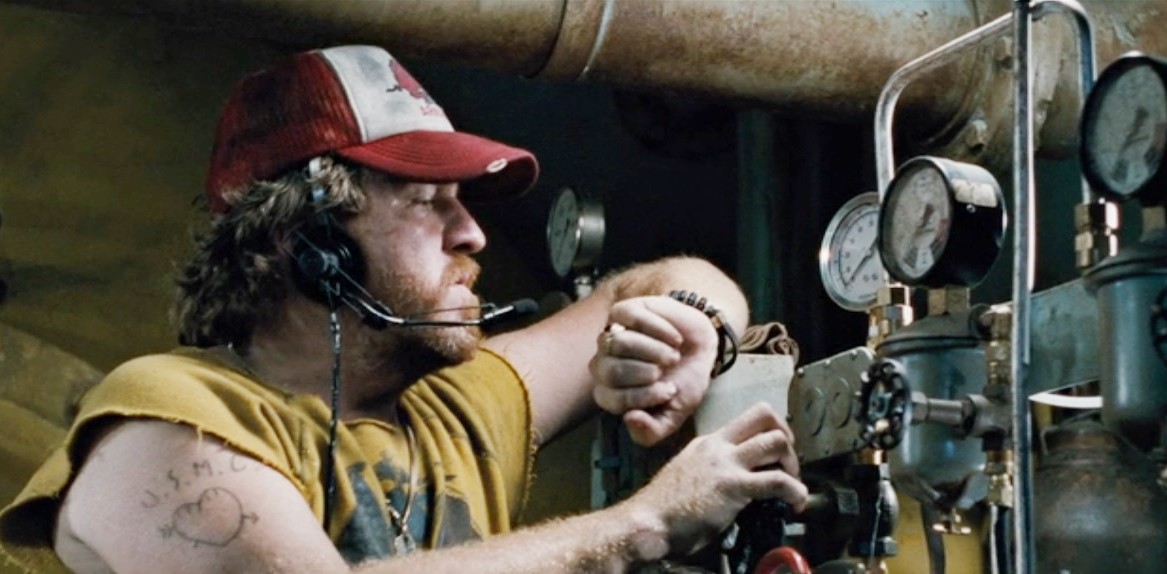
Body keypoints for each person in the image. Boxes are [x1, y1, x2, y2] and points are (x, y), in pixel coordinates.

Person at [0, 45, 806, 573]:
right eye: (429, 203)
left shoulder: (459, 404)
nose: (475, 234)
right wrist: (648, 523)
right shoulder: (165, 419)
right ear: (307, 239)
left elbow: (678, 276)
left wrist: (693, 324)